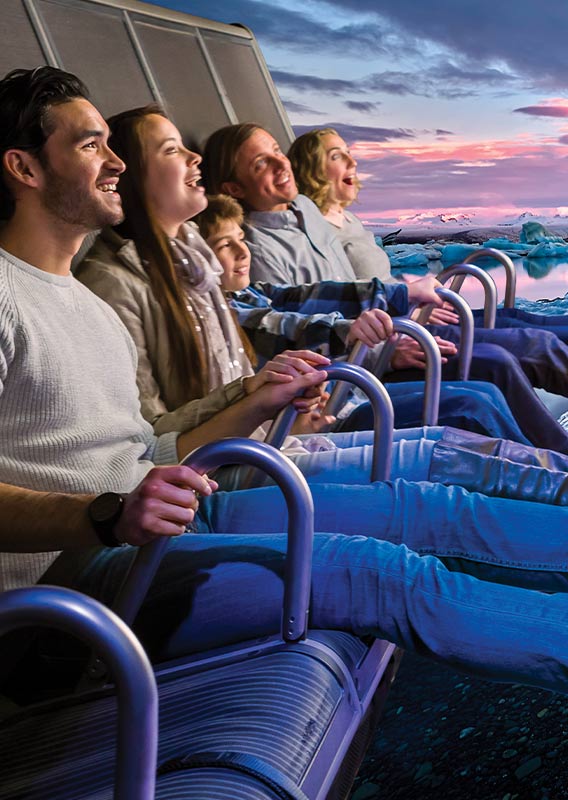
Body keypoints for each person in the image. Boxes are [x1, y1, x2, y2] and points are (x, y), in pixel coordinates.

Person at [3, 67, 568, 696]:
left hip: (158, 525)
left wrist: (254, 400)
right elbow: (116, 485)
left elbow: (146, 451)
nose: (113, 163)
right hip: (60, 599)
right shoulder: (12, 296)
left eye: (112, 145)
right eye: (89, 145)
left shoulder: (83, 301)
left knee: (434, 507)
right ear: (24, 169)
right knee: (379, 573)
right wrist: (101, 516)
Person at [74, 105, 552, 498]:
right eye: (173, 150)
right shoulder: (122, 286)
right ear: (130, 176)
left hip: (283, 427)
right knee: (471, 410)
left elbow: (281, 304)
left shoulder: (191, 259)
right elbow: (151, 437)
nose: (193, 158)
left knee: (508, 363)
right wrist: (271, 400)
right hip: (252, 460)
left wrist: (264, 393)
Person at [201, 122, 568, 453]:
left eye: (277, 152)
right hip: (364, 360)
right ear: (233, 188)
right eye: (260, 164)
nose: (282, 166)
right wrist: (388, 348)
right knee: (503, 365)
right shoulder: (253, 250)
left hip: (391, 327)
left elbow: (339, 291)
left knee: (533, 330)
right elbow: (296, 336)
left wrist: (404, 298)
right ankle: (556, 464)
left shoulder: (303, 211)